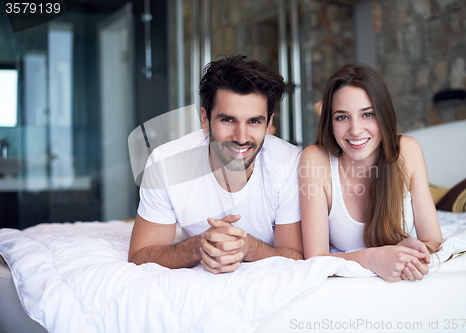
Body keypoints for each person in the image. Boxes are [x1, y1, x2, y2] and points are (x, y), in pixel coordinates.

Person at [128, 55, 303, 274]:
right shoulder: (166, 163)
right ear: (204, 119)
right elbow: (140, 255)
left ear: (269, 124)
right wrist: (198, 246)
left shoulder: (290, 164)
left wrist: (249, 248)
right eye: (228, 120)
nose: (241, 137)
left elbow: (296, 256)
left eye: (254, 121)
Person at [299, 63, 442, 282]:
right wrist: (374, 258)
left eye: (367, 114)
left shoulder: (407, 151)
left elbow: (432, 240)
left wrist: (414, 250)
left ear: (383, 115)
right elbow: (316, 258)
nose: (355, 130)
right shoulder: (315, 159)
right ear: (330, 122)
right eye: (342, 117)